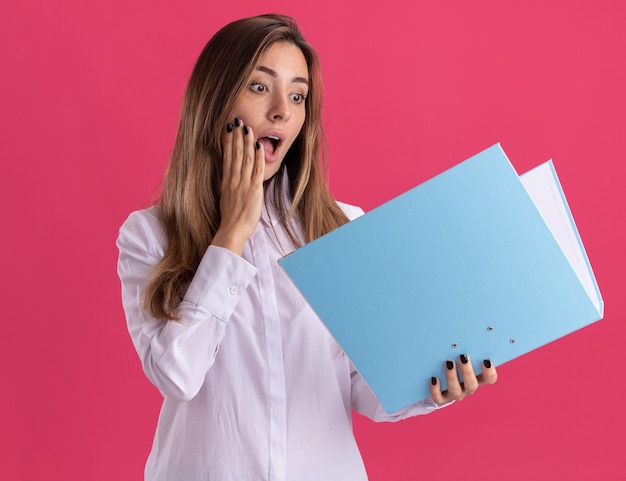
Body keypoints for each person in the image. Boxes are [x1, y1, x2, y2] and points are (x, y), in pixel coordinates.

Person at [116, 13, 497, 481]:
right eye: (260, 88)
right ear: (214, 101)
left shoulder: (341, 227)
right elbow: (177, 375)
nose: (282, 111)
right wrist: (230, 237)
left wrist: (432, 384)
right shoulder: (149, 235)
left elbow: (363, 389)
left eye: (298, 96)